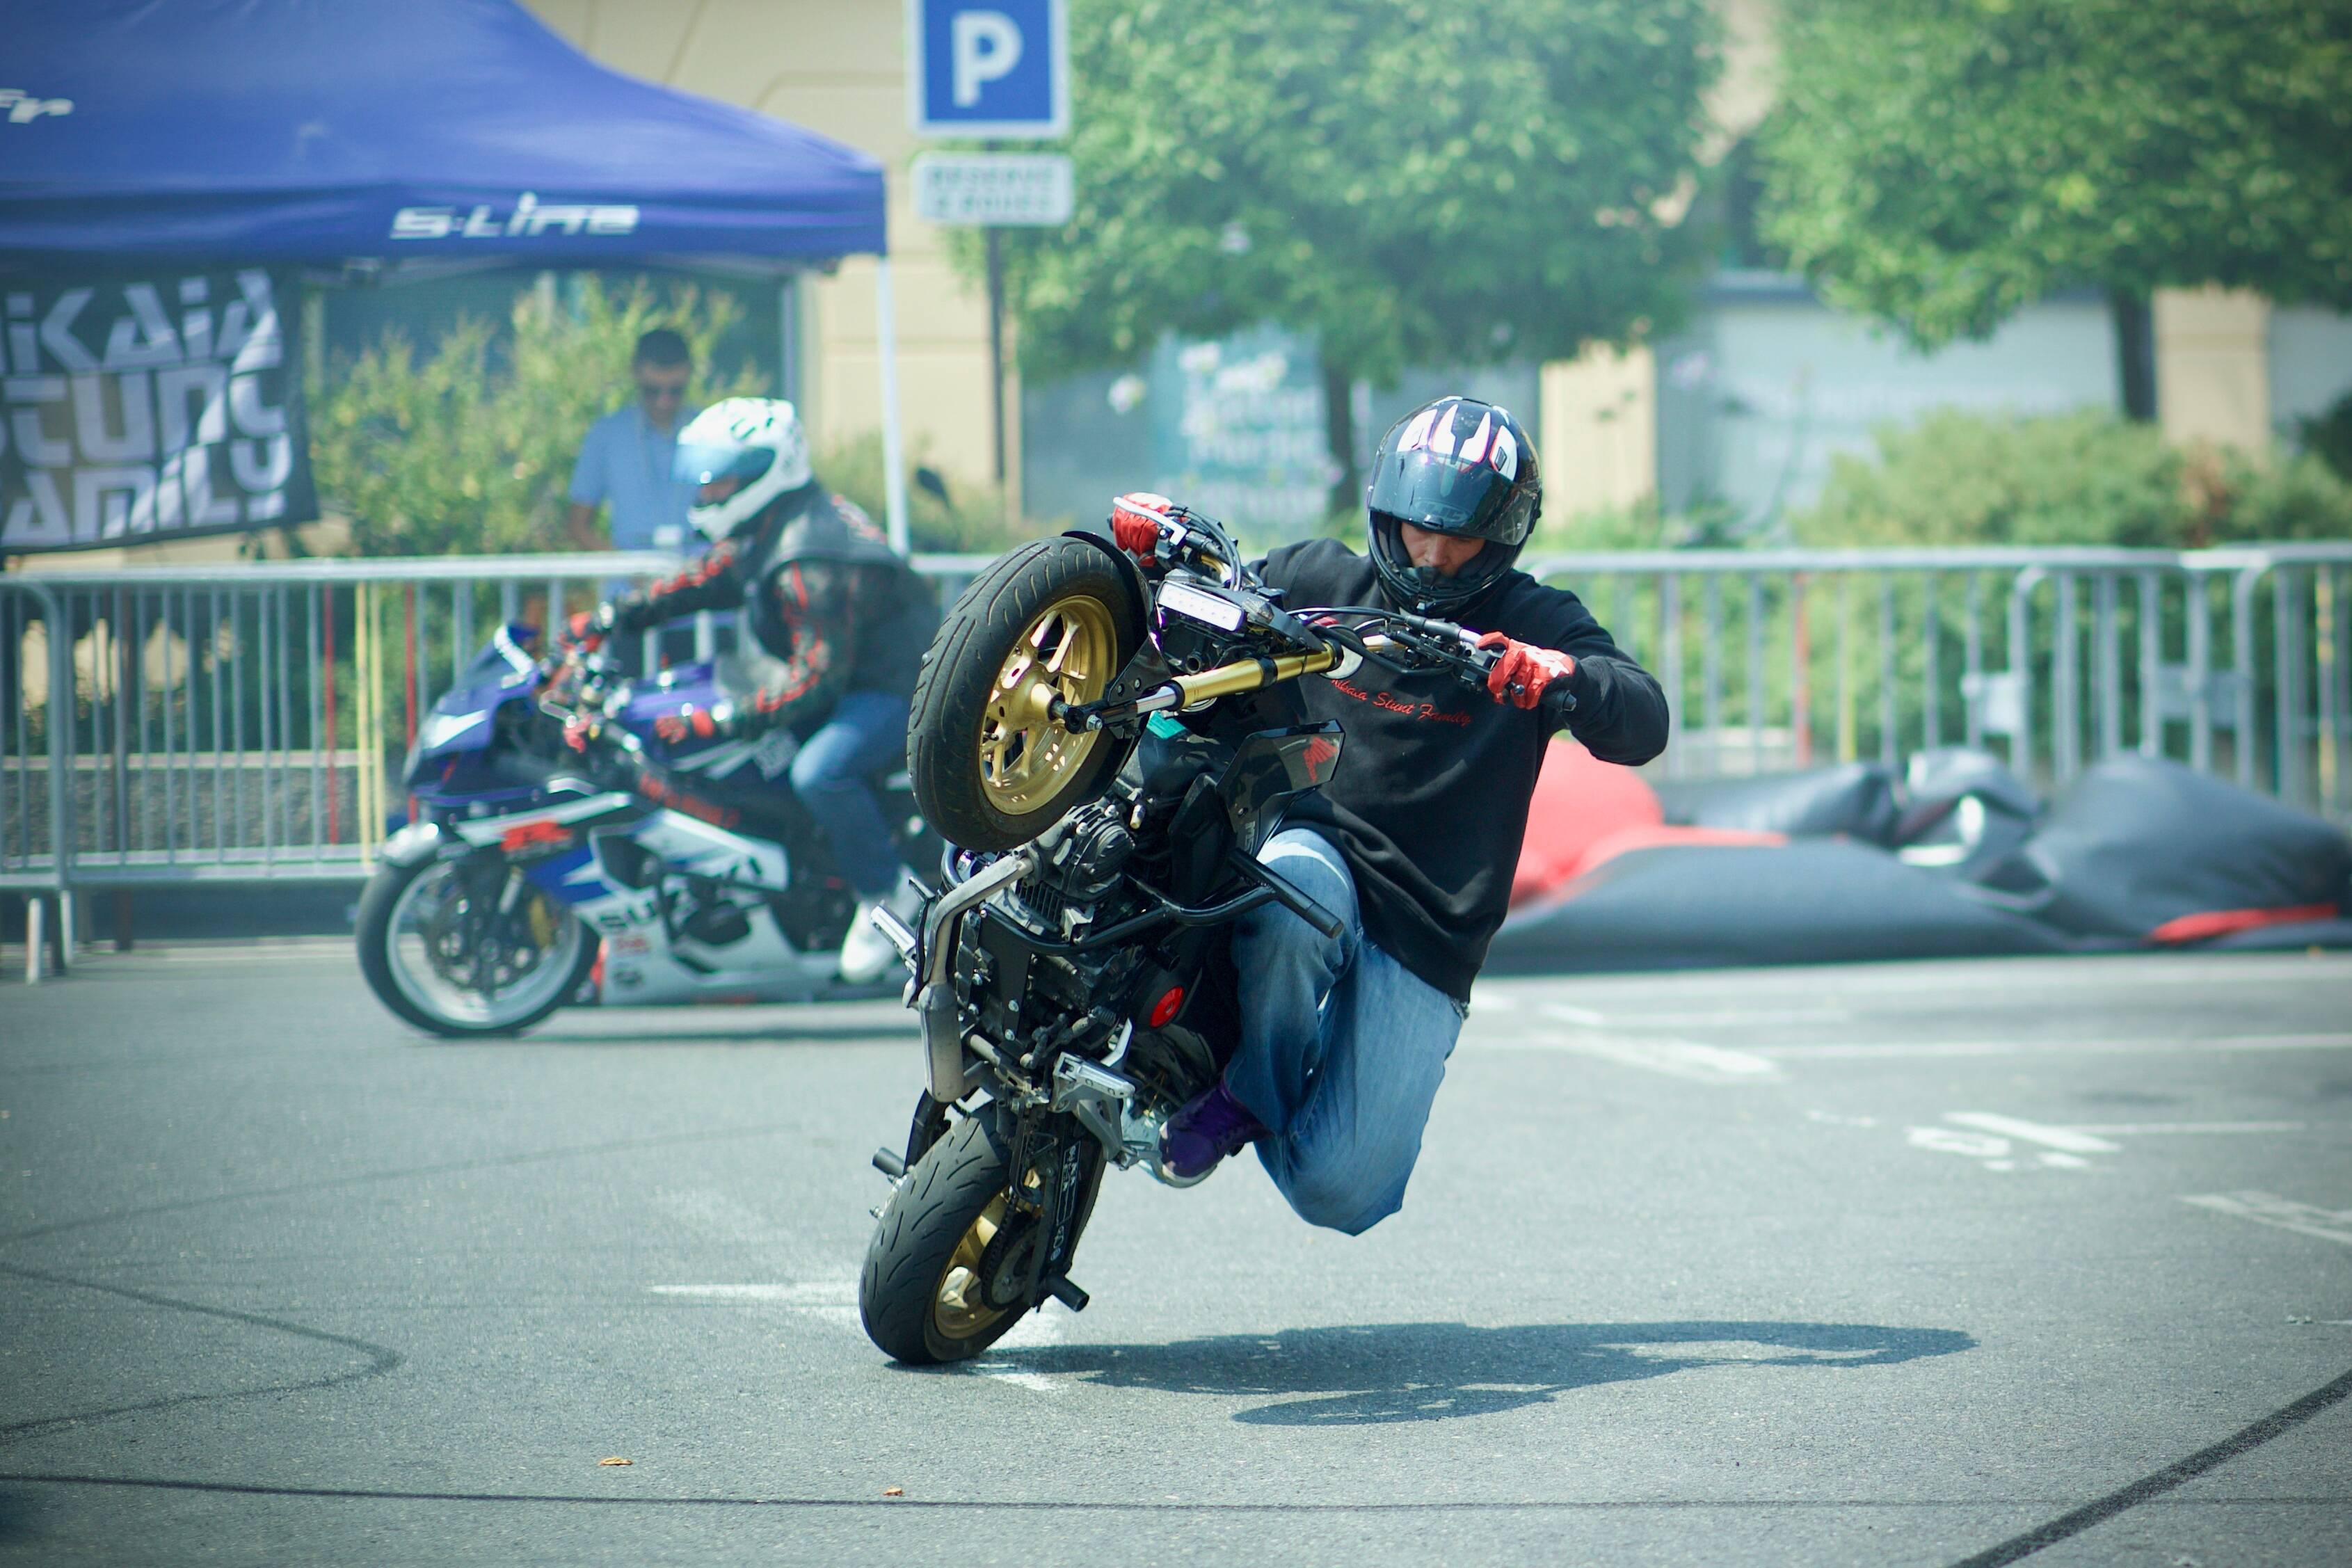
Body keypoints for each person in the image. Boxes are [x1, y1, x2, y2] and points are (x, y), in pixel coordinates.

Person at [1110, 395, 1668, 1234]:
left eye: (1462, 537)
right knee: (1299, 893)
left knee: (1343, 1191)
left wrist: (1561, 677)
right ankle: (1245, 1090)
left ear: (1506, 534)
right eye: (1417, 529)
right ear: (1385, 512)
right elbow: (1192, 616)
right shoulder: (1317, 579)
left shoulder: (1535, 621)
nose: (1436, 556)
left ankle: (1257, 1074)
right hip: (1312, 853)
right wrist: (1153, 561)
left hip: (1430, 926)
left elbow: (1644, 718)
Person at [569, 399, 939, 984]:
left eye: (721, 481)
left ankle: (886, 894)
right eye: (706, 480)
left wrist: (717, 721)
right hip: (854, 676)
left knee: (820, 772)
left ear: (769, 473)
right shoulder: (772, 527)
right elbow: (708, 579)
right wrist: (616, 616)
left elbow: (817, 679)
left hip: (902, 689)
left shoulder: (805, 559)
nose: (708, 494)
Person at [564, 328, 699, 556]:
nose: (664, 402)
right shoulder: (607, 434)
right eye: (652, 391)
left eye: (675, 391)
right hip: (630, 586)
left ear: (688, 375)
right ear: (635, 374)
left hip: (699, 584)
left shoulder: (710, 429)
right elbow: (577, 525)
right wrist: (625, 567)